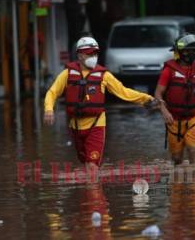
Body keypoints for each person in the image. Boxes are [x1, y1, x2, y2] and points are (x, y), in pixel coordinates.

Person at [43, 36, 154, 172]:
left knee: (92, 166)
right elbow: (52, 92)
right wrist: (49, 109)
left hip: (96, 124)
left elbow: (124, 92)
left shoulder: (104, 75)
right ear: (80, 55)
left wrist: (147, 99)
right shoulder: (67, 74)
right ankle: (89, 191)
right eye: (89, 53)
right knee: (84, 164)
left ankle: (95, 192)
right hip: (75, 126)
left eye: (95, 53)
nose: (93, 56)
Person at [154, 33, 195, 165]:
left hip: (194, 118)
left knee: (194, 152)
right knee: (177, 159)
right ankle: (178, 185)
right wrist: (164, 111)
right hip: (174, 120)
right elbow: (158, 93)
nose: (194, 53)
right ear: (182, 52)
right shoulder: (168, 71)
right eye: (191, 50)